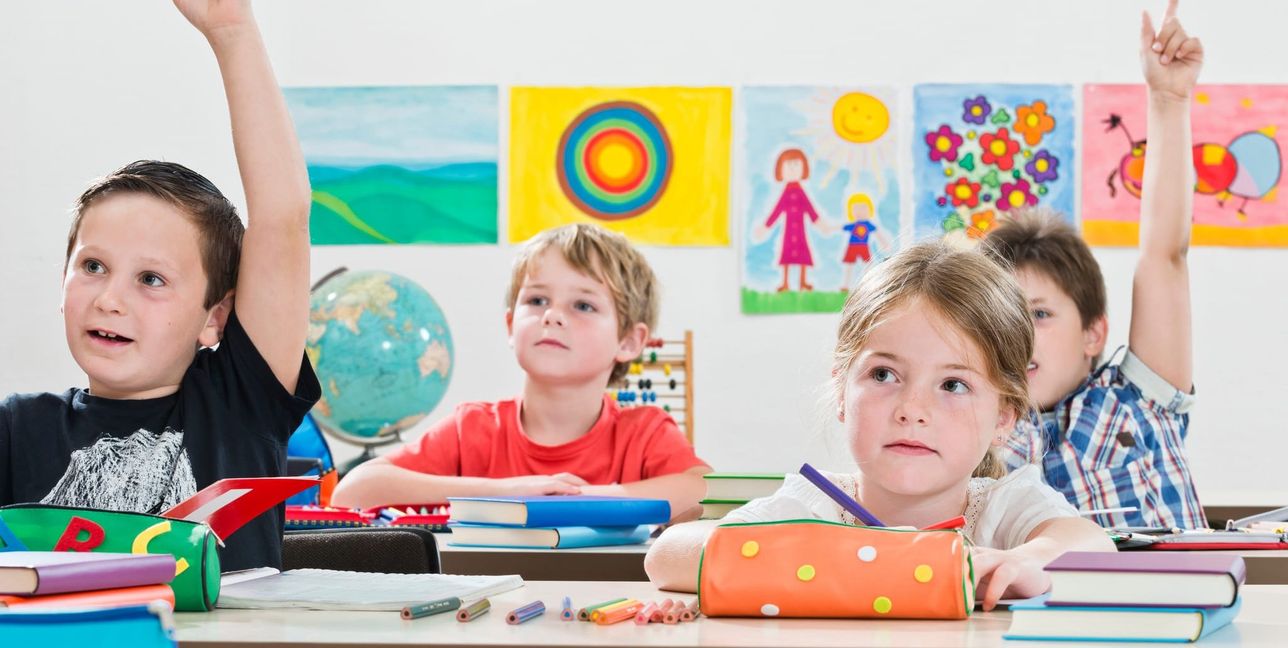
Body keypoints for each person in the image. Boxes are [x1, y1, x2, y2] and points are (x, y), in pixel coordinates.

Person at [0, 0, 319, 571]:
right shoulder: (15, 428)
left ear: (213, 317)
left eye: (151, 279)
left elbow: (283, 216)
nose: (109, 298)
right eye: (93, 266)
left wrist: (232, 30)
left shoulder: (240, 404)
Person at [643, 242, 1113, 610]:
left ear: (1004, 418)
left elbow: (1094, 546)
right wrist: (873, 562)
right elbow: (667, 555)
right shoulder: (818, 506)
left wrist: (1026, 560)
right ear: (843, 393)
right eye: (884, 375)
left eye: (953, 384)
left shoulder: (1005, 507)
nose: (912, 408)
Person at [982, 0, 1206, 529]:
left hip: (1172, 606)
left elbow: (1165, 255)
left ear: (1092, 333)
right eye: (1003, 319)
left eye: (1039, 314)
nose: (1018, 336)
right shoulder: (977, 430)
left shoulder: (1137, 402)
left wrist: (1168, 100)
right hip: (1046, 613)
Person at [333, 224, 710, 520]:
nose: (552, 315)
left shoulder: (643, 433)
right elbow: (355, 489)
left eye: (583, 305)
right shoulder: (473, 430)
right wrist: (512, 491)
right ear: (511, 325)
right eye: (537, 300)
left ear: (629, 341)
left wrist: (575, 499)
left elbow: (707, 491)